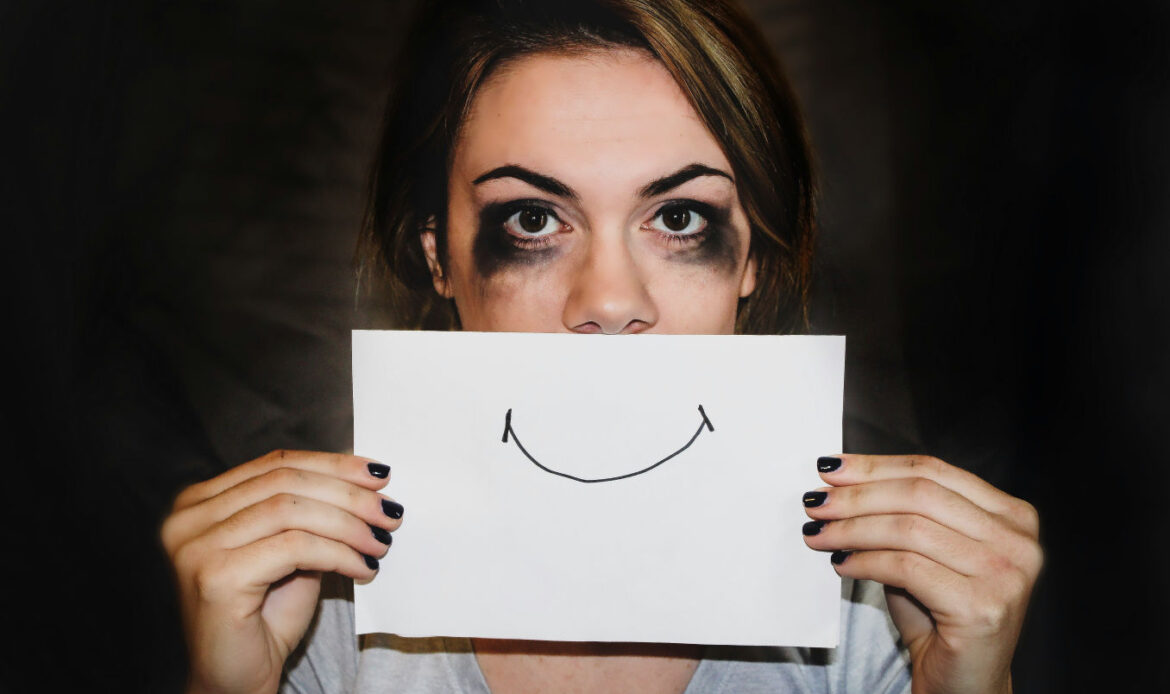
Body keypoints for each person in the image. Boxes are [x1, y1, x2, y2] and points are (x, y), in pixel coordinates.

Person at [161, 1, 1043, 692]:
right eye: (534, 219)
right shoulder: (314, 613)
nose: (610, 301)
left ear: (752, 262)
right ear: (439, 255)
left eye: (679, 218)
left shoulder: (884, 617)